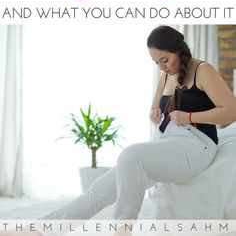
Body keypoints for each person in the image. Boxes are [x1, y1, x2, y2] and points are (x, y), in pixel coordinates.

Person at [2, 25, 236, 236]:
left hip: (196, 147)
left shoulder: (203, 70)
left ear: (178, 50)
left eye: (164, 59)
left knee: (130, 155)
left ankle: (122, 231)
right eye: (156, 62)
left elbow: (231, 111)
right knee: (98, 190)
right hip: (167, 142)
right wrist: (154, 113)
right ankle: (40, 229)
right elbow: (156, 107)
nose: (162, 66)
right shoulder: (165, 75)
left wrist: (190, 116)